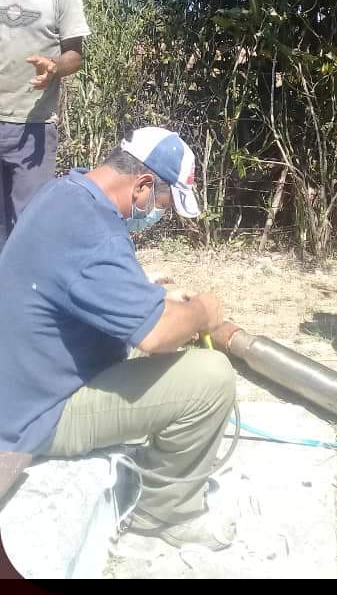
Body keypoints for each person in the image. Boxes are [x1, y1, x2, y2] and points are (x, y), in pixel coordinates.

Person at [0, 126, 237, 550]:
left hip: (21, 388)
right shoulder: (96, 234)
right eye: (163, 204)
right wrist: (204, 311)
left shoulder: (64, 196)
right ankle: (166, 515)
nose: (158, 216)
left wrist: (151, 294)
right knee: (211, 377)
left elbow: (78, 281)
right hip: (37, 415)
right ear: (143, 186)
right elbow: (158, 336)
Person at [0, 0, 90, 251]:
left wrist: (54, 68)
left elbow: (75, 56)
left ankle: (28, 301)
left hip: (32, 127)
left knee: (29, 223)